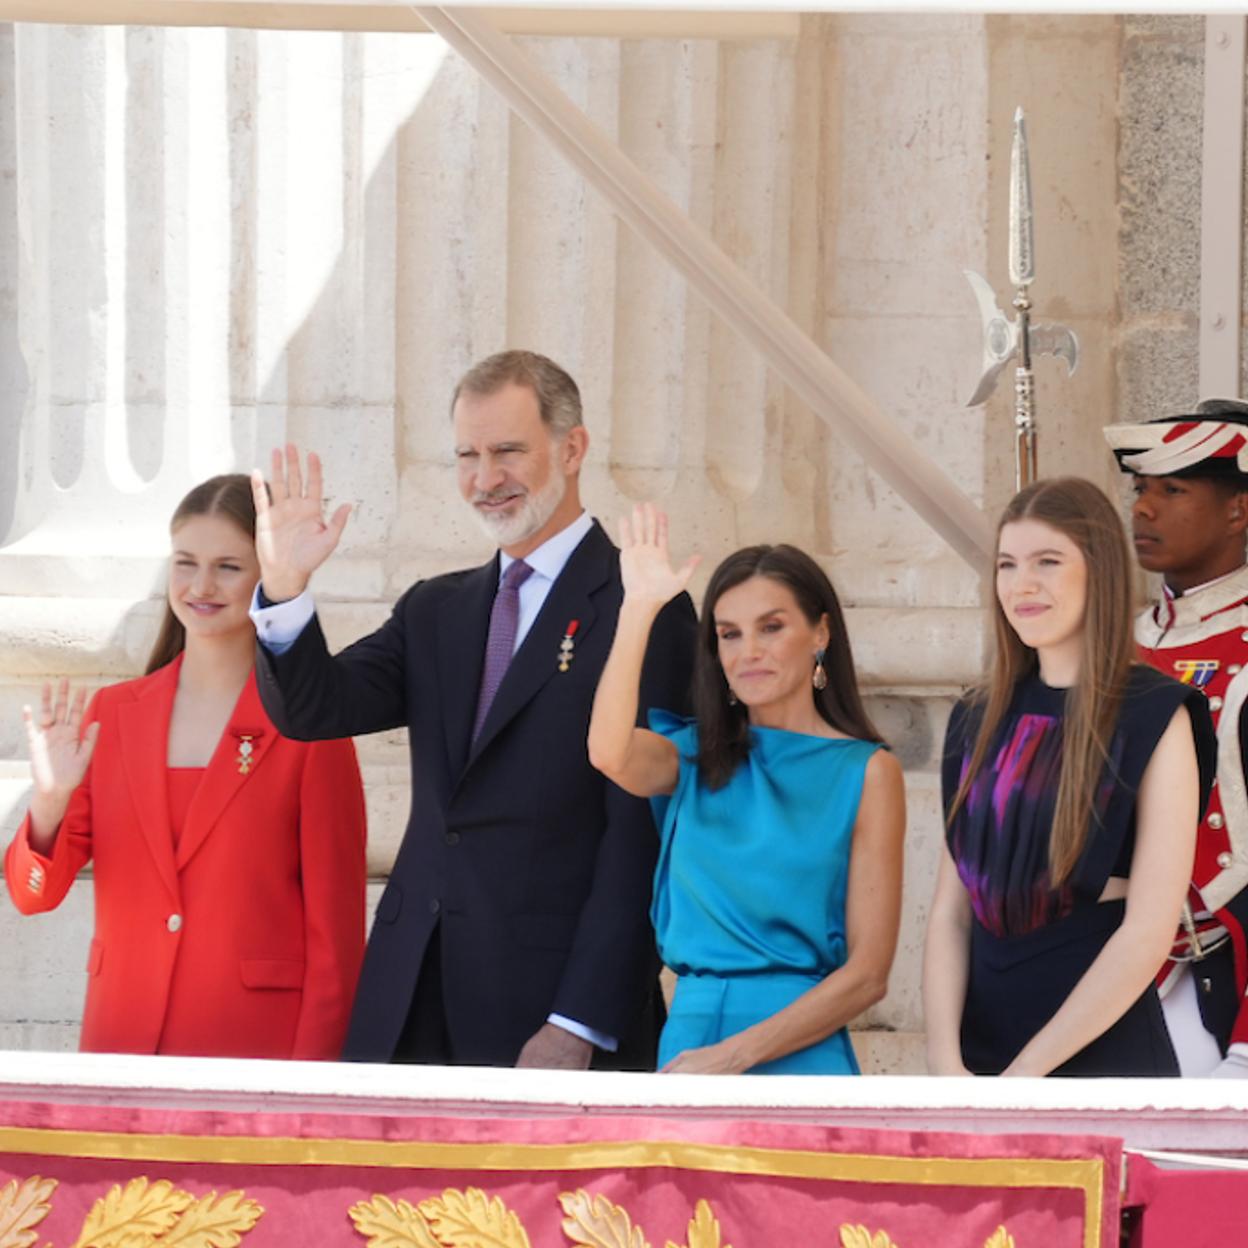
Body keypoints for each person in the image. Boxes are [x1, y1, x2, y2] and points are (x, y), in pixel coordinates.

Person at [249, 350, 697, 1069]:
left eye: (508, 452)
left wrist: (579, 1020)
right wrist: (284, 588)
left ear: (572, 447)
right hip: (407, 998)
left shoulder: (642, 604)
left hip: (546, 1013)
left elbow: (639, 840)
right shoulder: (437, 609)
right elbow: (312, 708)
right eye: (467, 455)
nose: (485, 479)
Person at [4, 474, 367, 1059]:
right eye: (185, 562)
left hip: (256, 1056)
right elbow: (31, 895)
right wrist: (48, 803)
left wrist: (312, 1091)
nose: (201, 585)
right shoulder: (113, 716)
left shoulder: (310, 729)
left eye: (228, 566)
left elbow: (337, 939)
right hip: (120, 1048)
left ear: (264, 576)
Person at [586, 503, 906, 1074]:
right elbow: (608, 752)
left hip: (799, 1054)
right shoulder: (689, 756)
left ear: (821, 632)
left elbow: (868, 975)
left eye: (772, 627)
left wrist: (731, 1058)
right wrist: (638, 608)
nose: (748, 651)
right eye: (729, 634)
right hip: (688, 1042)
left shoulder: (867, 772)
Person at [924, 476, 1216, 1077]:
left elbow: (1147, 932)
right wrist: (946, 1065)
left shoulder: (1156, 714)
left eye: (1047, 561)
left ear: (1099, 569)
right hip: (976, 1064)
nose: (1021, 584)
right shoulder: (975, 717)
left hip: (1098, 1057)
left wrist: (1025, 1080)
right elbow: (951, 915)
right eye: (1007, 564)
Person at [1105, 399, 1248, 1076]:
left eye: (1172, 489)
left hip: (1220, 979)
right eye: (1140, 490)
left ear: (1238, 512)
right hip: (1100, 974)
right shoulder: (1111, 645)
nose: (1144, 509)